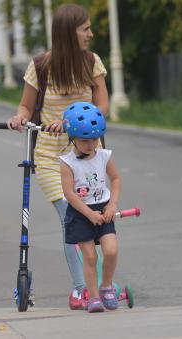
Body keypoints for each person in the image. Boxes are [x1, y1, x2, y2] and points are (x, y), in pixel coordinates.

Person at [7, 3, 109, 309]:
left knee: (92, 222)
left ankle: (99, 286)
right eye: (85, 29)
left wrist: (72, 123)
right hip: (53, 158)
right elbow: (26, 106)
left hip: (89, 156)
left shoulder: (92, 63)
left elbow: (103, 107)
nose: (91, 34)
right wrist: (18, 117)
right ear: (68, 33)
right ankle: (82, 289)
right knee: (72, 219)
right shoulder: (40, 66)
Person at [60, 102, 120, 312]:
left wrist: (112, 204)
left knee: (111, 250)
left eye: (95, 139)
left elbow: (116, 178)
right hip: (80, 212)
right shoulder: (67, 163)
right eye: (85, 140)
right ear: (72, 138)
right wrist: (88, 214)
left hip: (103, 208)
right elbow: (68, 193)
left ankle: (106, 287)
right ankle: (93, 297)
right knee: (90, 257)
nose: (91, 144)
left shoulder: (103, 156)